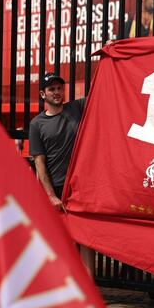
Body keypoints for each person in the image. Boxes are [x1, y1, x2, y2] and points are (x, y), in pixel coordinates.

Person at [28, 72, 95, 270]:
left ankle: (88, 292)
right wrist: (50, 196)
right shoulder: (36, 124)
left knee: (86, 240)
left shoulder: (76, 107)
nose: (57, 92)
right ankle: (67, 290)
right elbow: (39, 163)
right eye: (51, 89)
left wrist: (110, 59)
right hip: (57, 190)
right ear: (43, 94)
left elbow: (103, 89)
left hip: (80, 186)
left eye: (59, 88)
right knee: (62, 242)